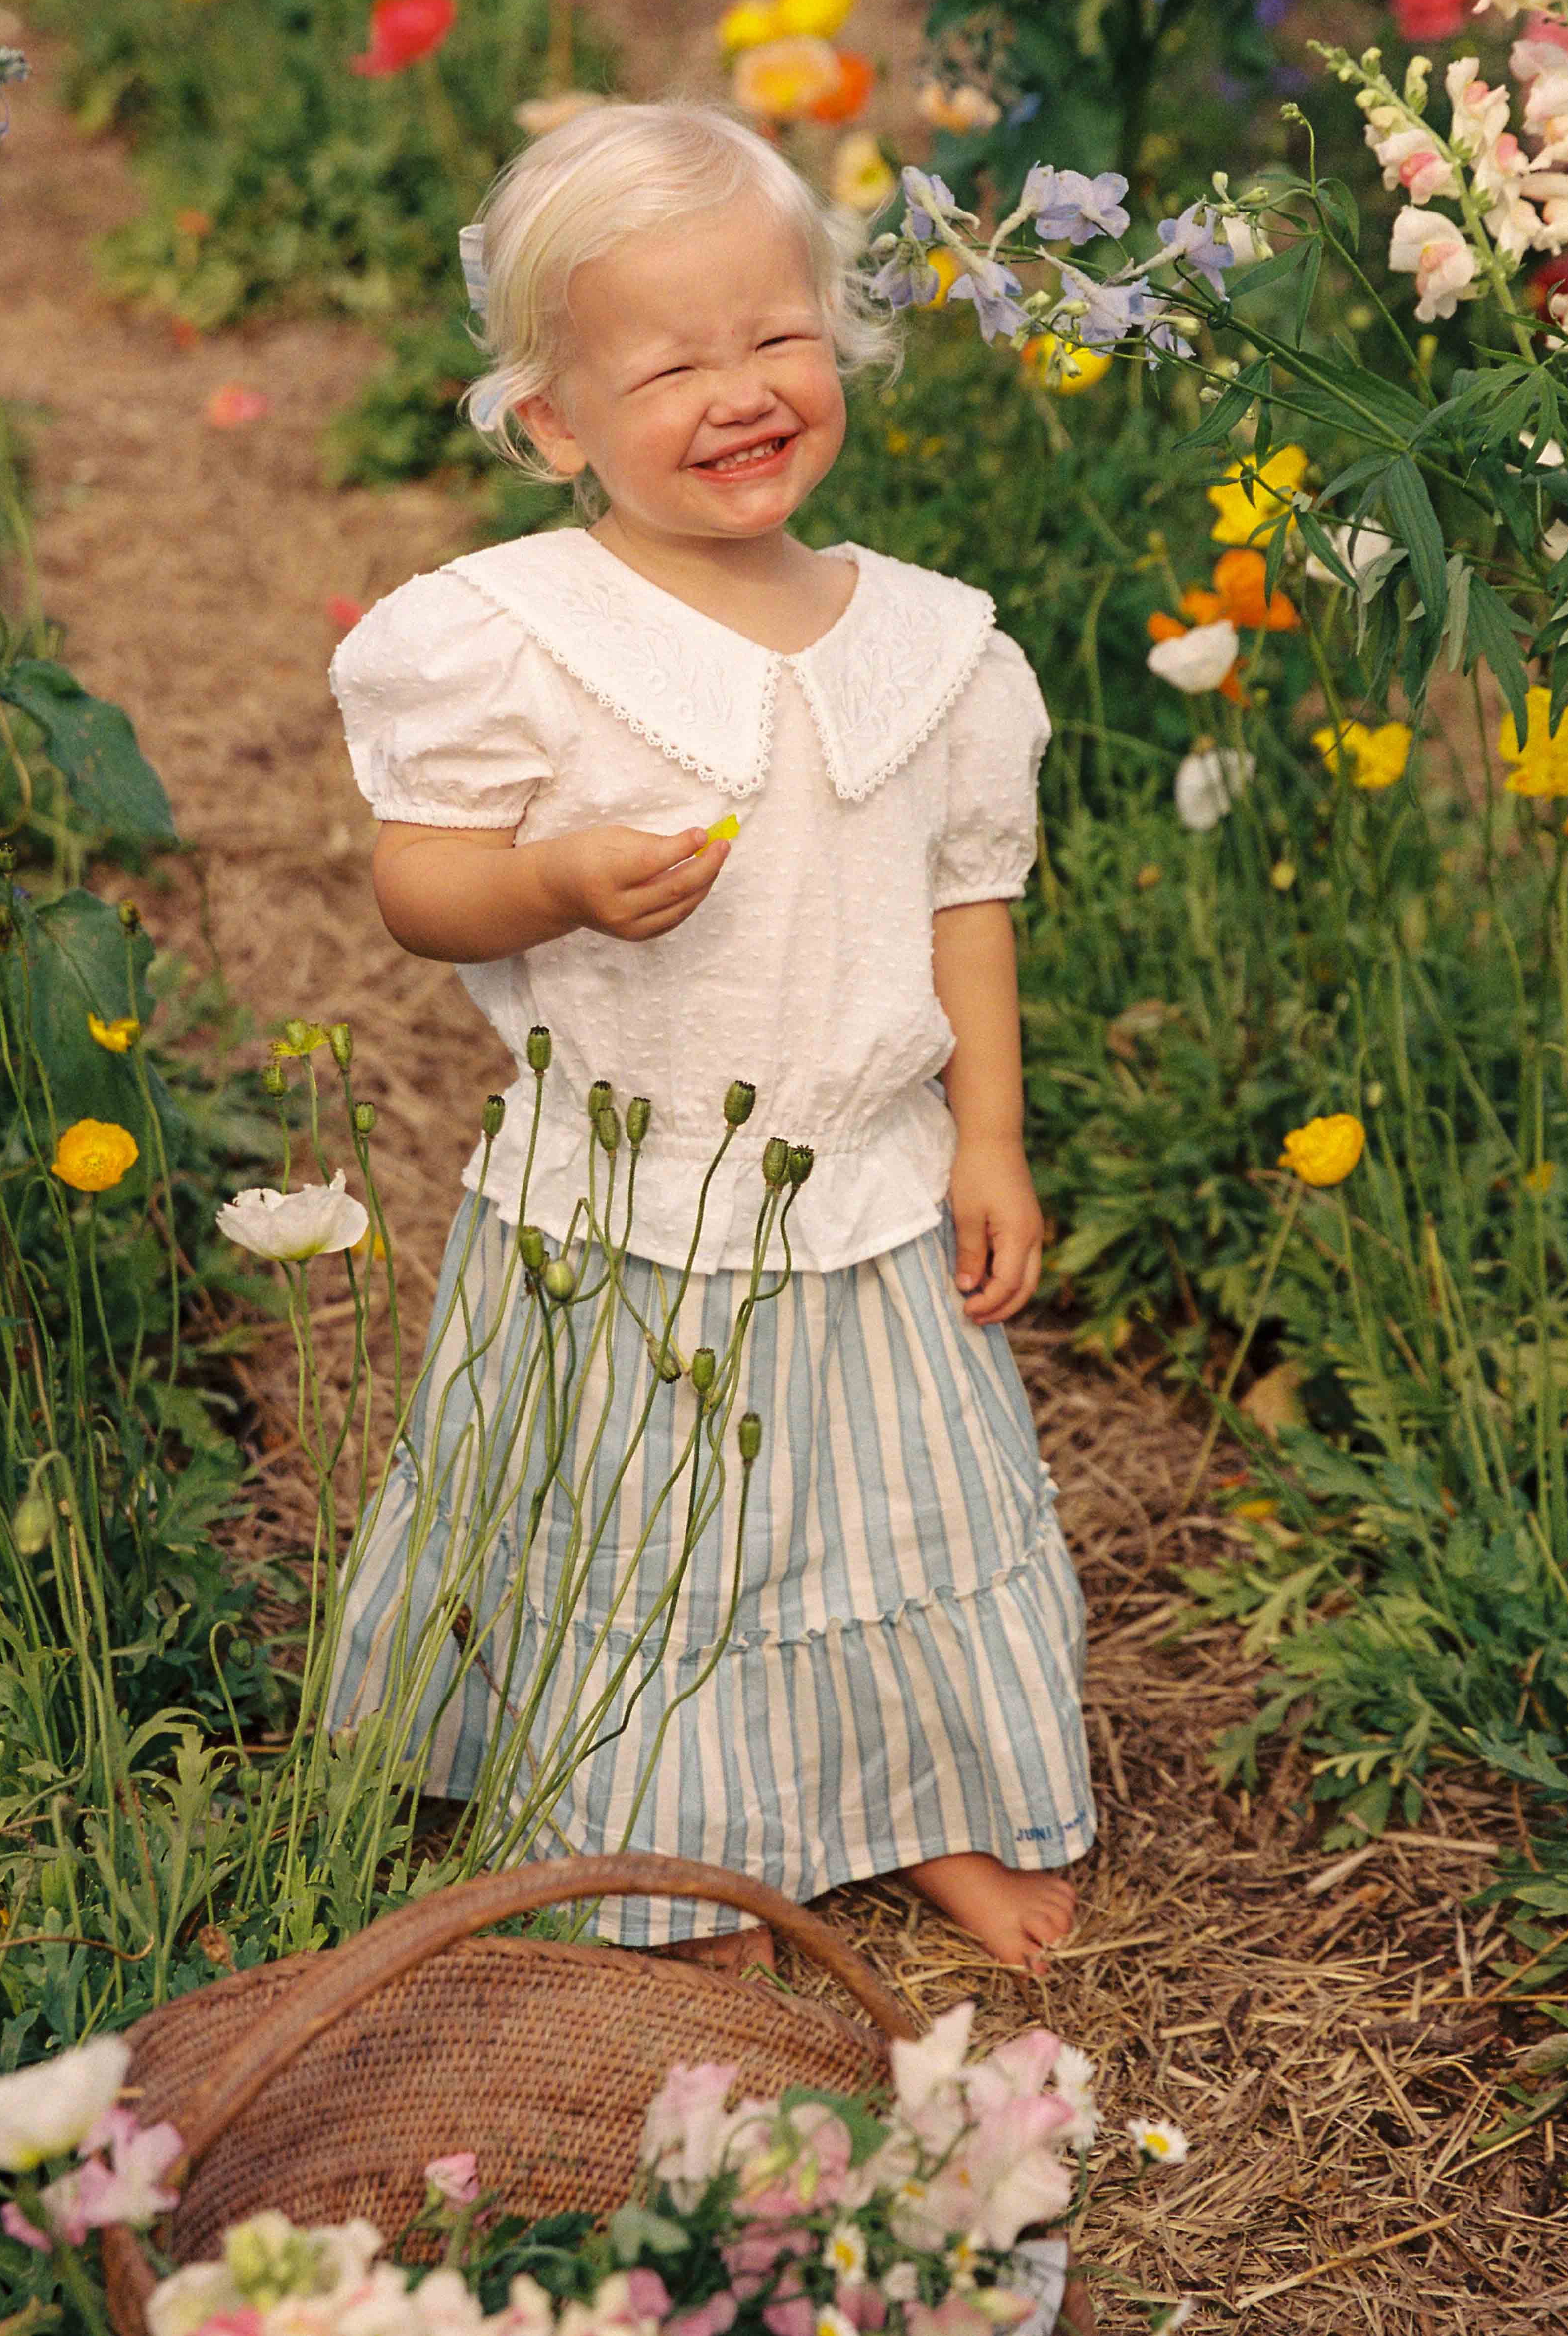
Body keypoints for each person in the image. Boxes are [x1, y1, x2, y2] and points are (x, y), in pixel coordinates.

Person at [326, 101, 1093, 1967]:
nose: (742, 391)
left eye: (778, 339)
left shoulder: (928, 646)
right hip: (635, 1210)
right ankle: (665, 1843)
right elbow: (416, 885)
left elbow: (961, 902)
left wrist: (987, 1137)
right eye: (672, 364)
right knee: (651, 1548)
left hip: (869, 1195)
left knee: (885, 1521)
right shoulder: (518, 633)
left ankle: (923, 1800)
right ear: (556, 424)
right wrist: (557, 881)